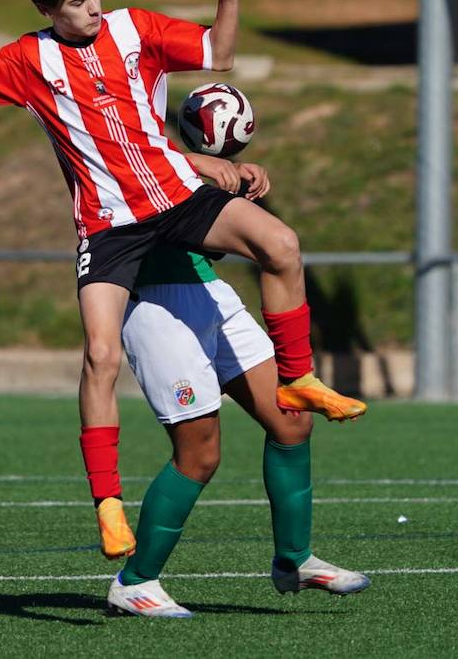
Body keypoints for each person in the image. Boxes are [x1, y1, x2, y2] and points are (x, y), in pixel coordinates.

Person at [0, 0, 366, 557]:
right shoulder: (29, 61)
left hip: (175, 196)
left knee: (280, 243)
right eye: (76, 1)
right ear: (45, 8)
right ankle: (109, 506)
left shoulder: (135, 29)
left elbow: (217, 53)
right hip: (110, 226)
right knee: (101, 357)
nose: (90, 9)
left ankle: (299, 377)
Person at [106, 155, 369, 617]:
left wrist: (224, 187)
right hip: (156, 304)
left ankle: (294, 559)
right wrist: (199, 161)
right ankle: (135, 581)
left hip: (209, 292)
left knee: (292, 421)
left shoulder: (145, 96)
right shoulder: (95, 117)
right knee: (200, 454)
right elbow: (133, 159)